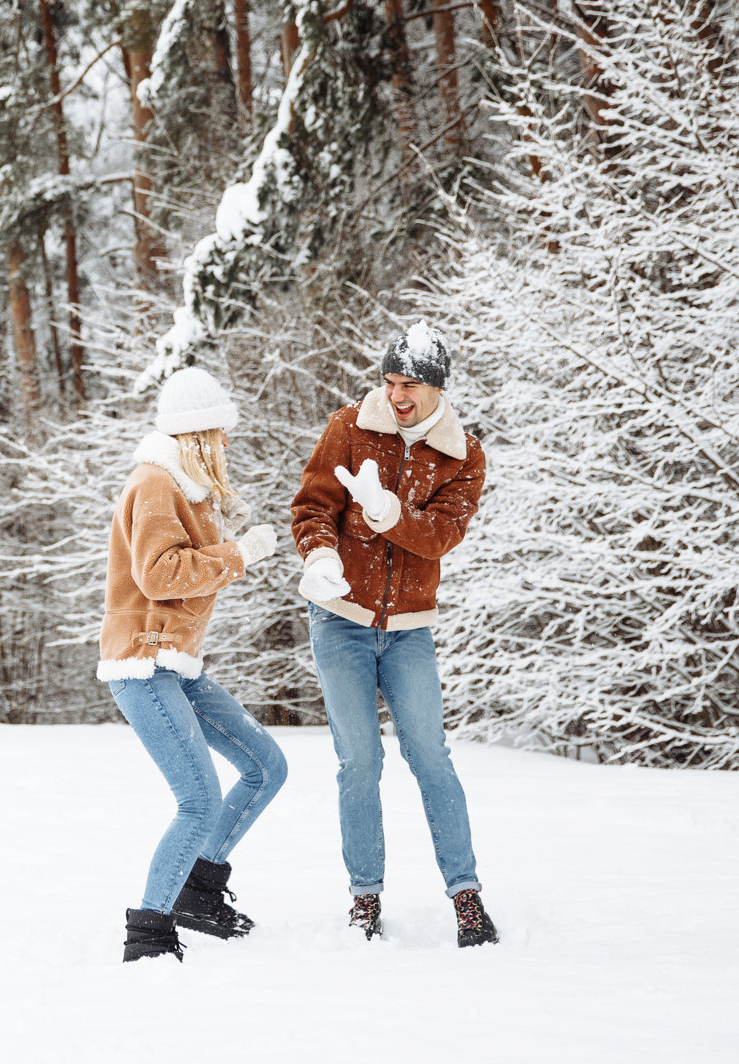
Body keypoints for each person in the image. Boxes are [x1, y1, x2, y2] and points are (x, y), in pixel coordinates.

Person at [288, 323, 500, 948]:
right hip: (341, 622)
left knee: (431, 758)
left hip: (409, 630)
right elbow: (312, 507)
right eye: (389, 382)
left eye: (410, 385)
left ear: (436, 388)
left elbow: (440, 535)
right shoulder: (350, 429)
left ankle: (466, 896)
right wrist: (321, 556)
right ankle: (365, 900)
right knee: (359, 762)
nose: (398, 395)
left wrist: (389, 514)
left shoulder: (463, 456)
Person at [101, 366, 287, 963]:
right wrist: (239, 555)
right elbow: (158, 573)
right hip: (142, 663)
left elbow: (186, 566)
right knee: (199, 800)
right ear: (196, 434)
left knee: (266, 766)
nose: (229, 443)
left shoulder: (187, 488)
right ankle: (150, 933)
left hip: (176, 665)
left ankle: (199, 893)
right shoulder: (156, 483)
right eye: (221, 432)